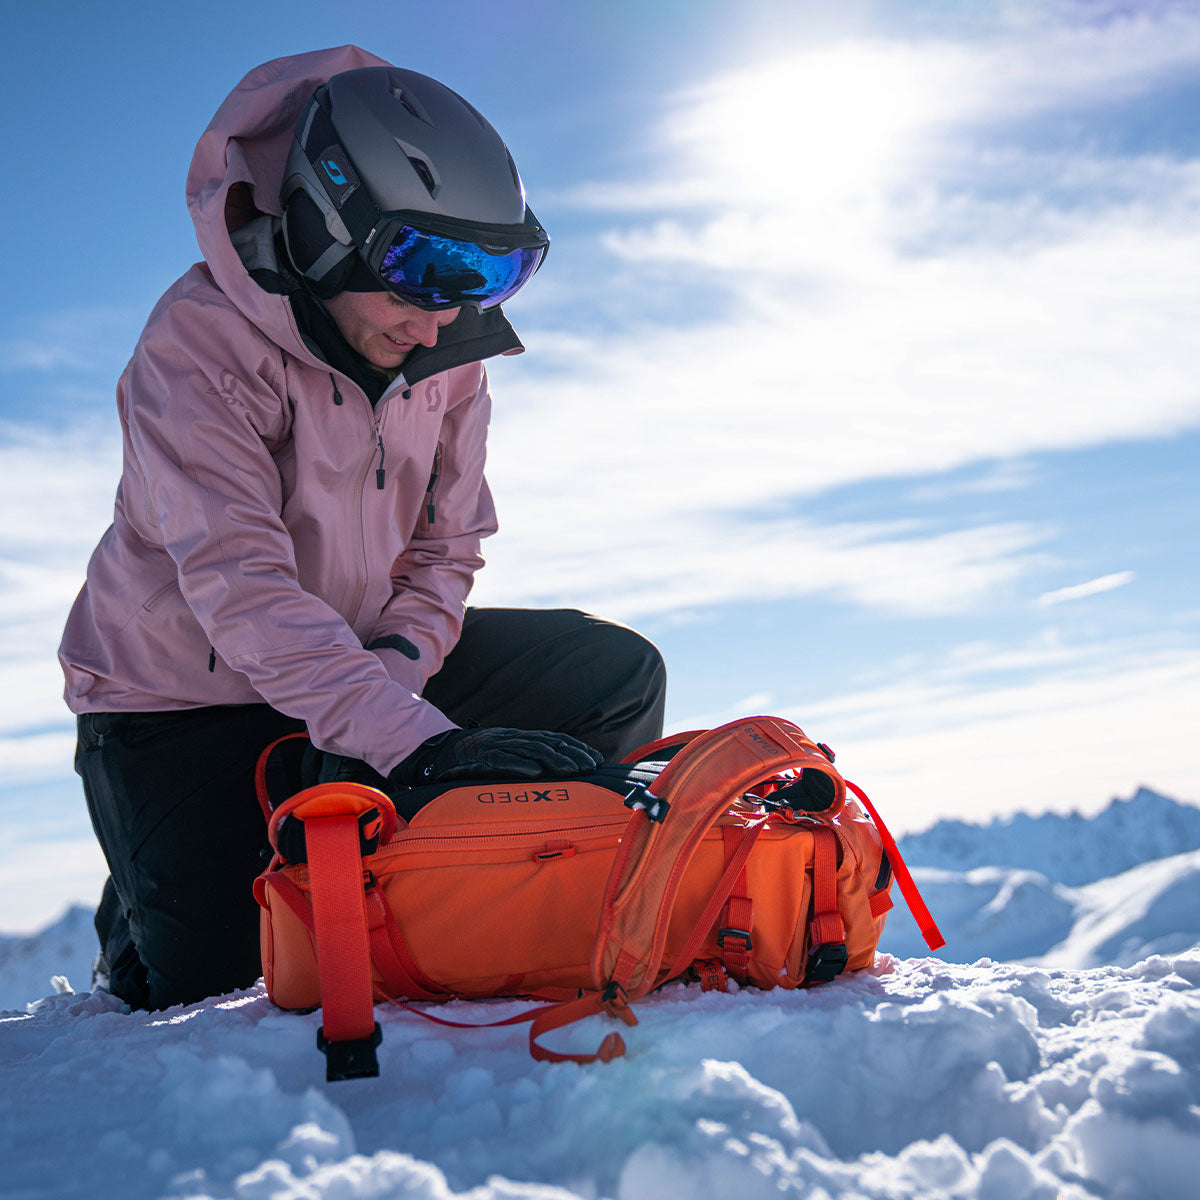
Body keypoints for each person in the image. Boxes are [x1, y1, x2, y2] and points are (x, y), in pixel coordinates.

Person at [58, 46, 666, 1012]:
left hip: (364, 662)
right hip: (181, 700)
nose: (441, 320)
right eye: (421, 267)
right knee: (225, 976)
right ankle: (141, 891)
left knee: (610, 674)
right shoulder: (197, 346)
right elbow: (241, 588)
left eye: (489, 274)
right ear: (325, 227)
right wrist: (413, 743)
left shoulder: (445, 353)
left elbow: (448, 548)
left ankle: (475, 872)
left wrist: (389, 685)